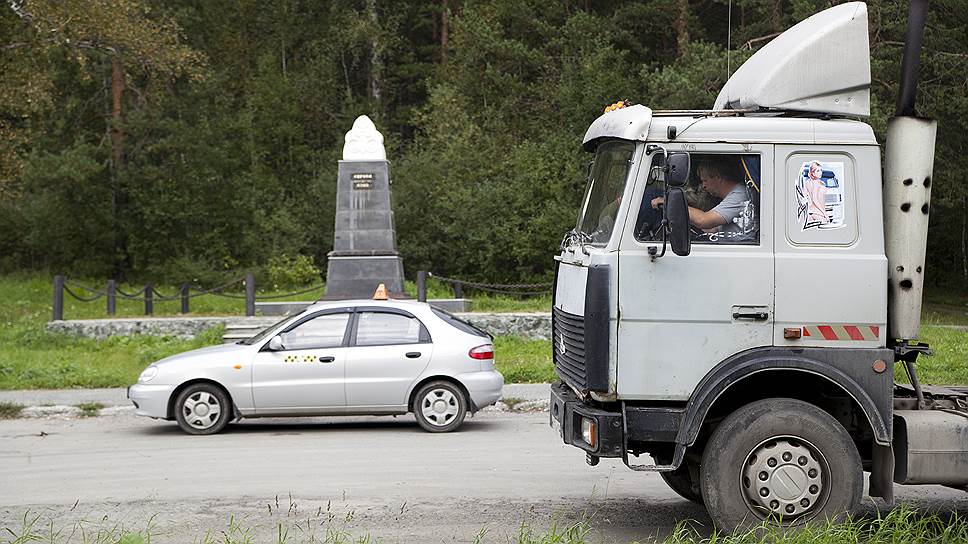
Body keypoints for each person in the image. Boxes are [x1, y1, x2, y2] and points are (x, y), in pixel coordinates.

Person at [650, 156, 754, 241]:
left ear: (718, 177)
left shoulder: (739, 194)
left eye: (705, 180)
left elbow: (703, 220)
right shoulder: (732, 196)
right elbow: (711, 229)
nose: (703, 186)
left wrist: (670, 203)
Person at [802, 160, 830, 227]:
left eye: (821, 170)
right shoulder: (816, 182)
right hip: (818, 213)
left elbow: (804, 196)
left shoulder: (807, 183)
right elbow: (815, 199)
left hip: (810, 212)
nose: (820, 172)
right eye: (817, 171)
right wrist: (825, 213)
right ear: (813, 173)